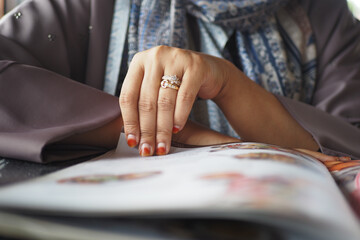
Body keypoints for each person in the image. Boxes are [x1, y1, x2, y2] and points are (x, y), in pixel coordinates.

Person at [0, 0, 359, 163]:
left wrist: (230, 87)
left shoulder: (326, 16)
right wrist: (185, 137)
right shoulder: (89, 5)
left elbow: (349, 155)